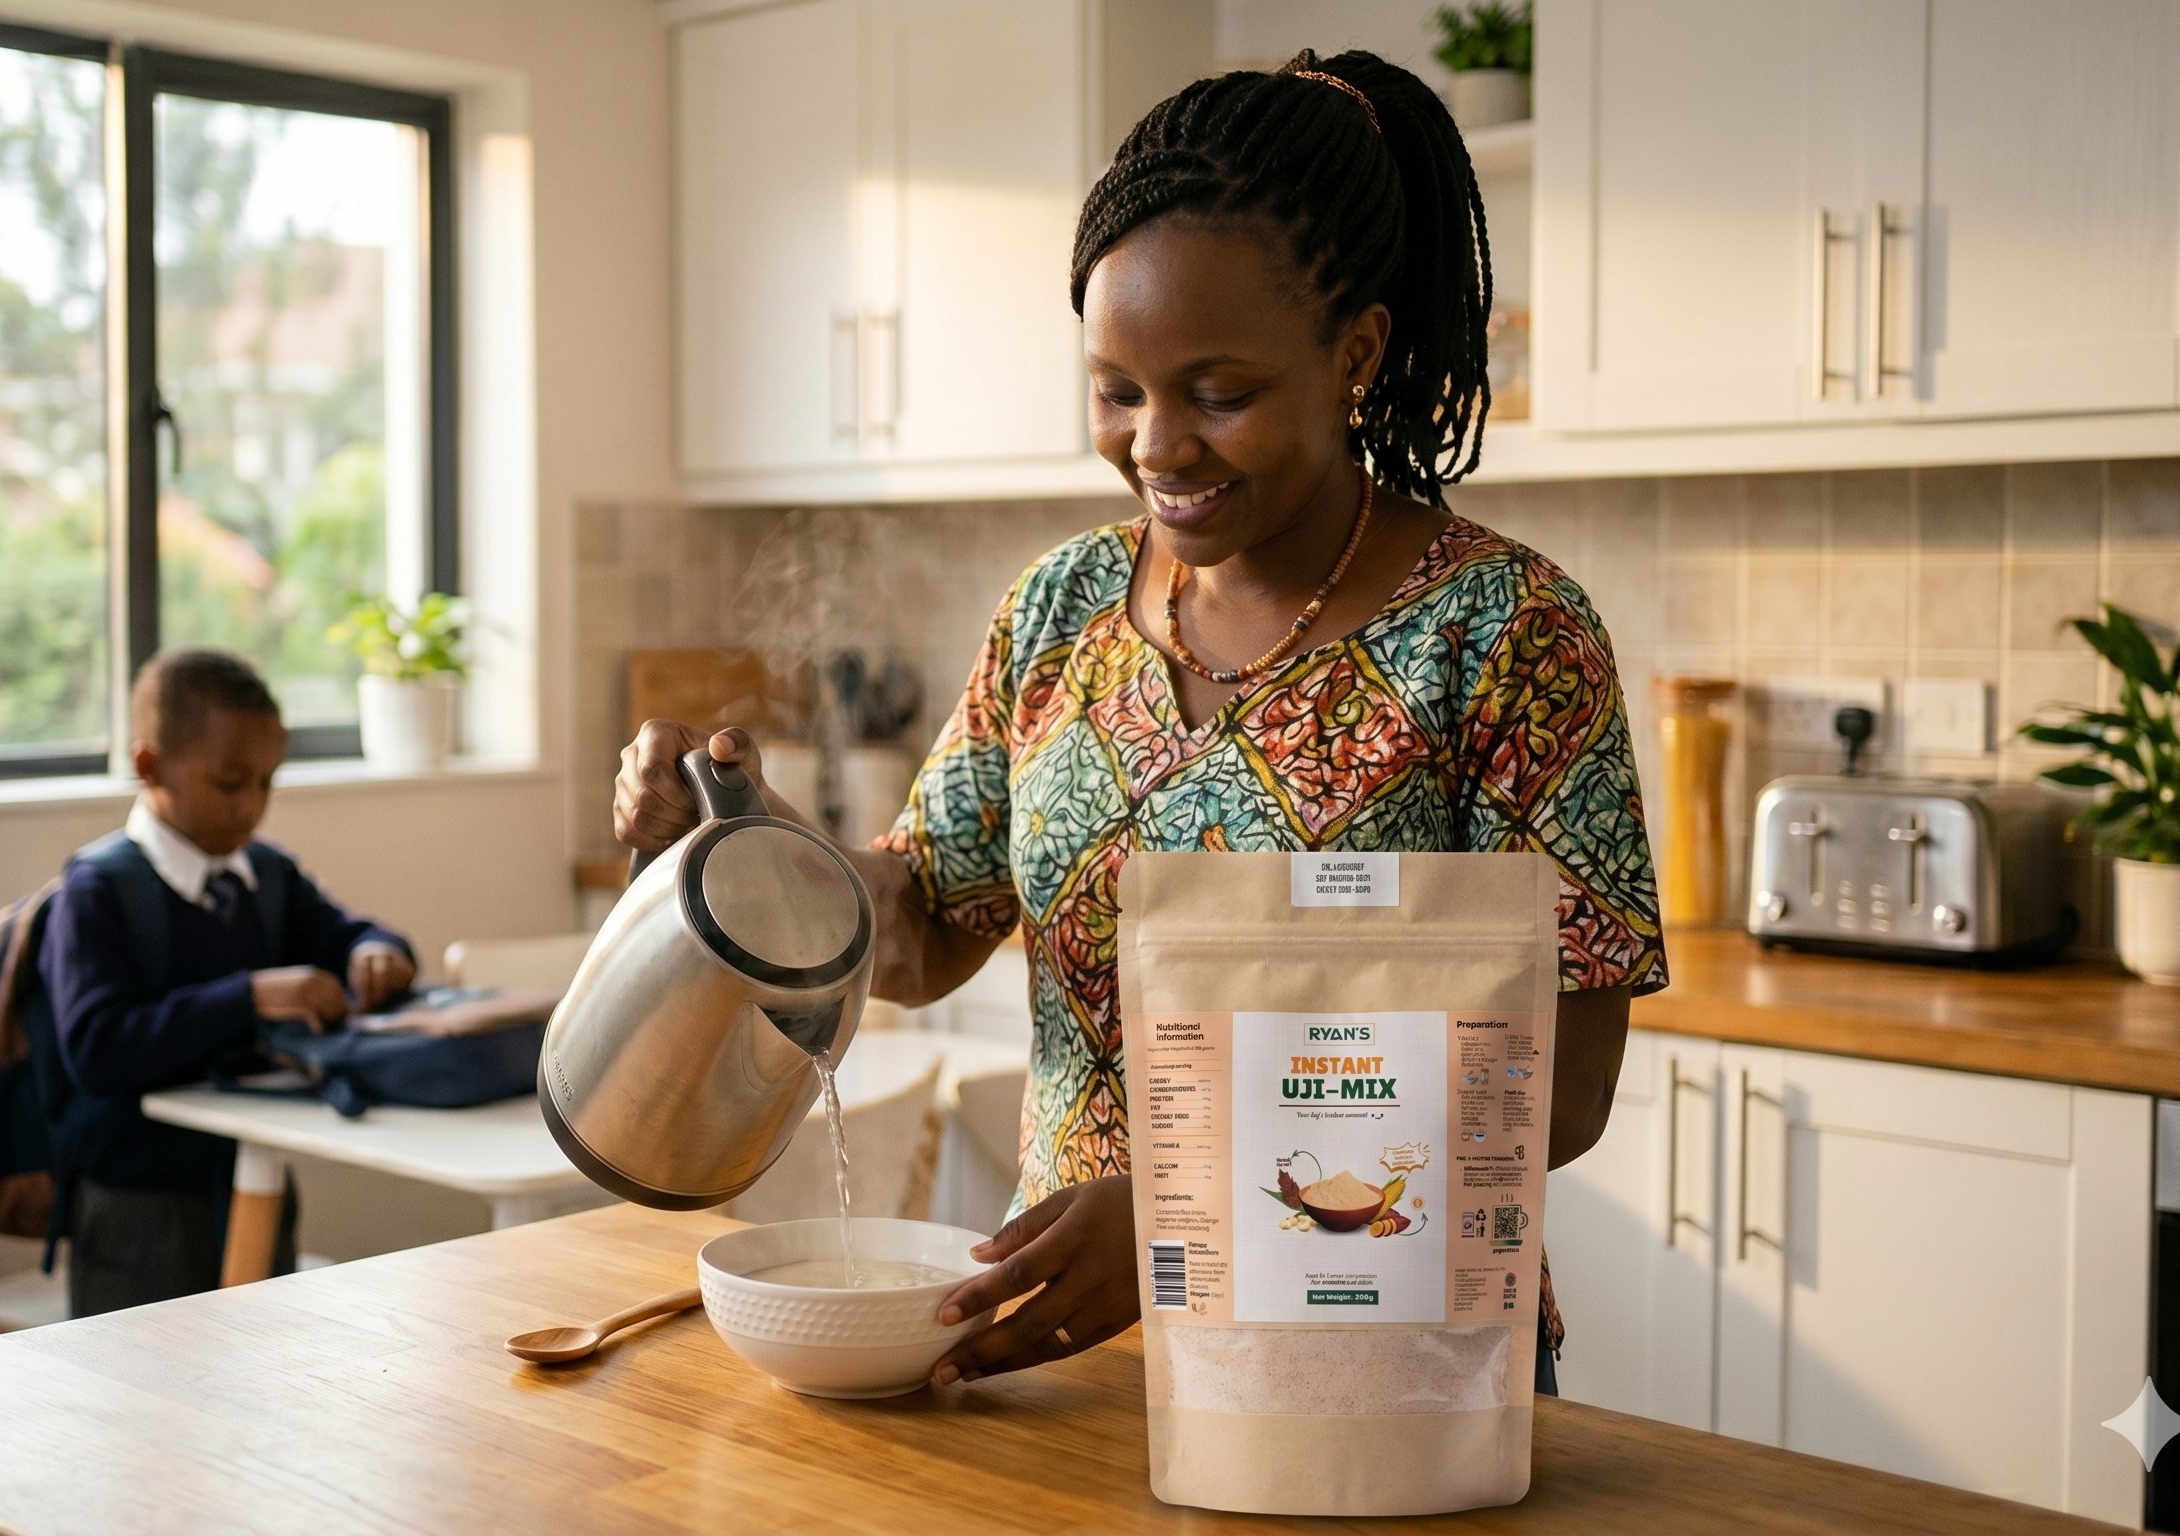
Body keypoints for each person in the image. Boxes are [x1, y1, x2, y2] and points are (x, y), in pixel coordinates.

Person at [614, 50, 1664, 1395]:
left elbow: (1559, 1091)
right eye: (1117, 388)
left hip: (1390, 1373)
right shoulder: (1060, 610)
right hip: (1083, 1356)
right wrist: (751, 857)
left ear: (1356, 352)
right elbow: (926, 927)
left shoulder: (1506, 633)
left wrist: (1190, 1205)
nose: (1156, 442)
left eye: (1218, 393)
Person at [44, 647, 417, 1316]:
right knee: (136, 1407)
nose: (251, 806)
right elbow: (98, 1049)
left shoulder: (268, 876)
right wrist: (248, 996)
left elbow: (349, 933)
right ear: (149, 766)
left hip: (258, 1182)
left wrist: (378, 951)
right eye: (229, 781)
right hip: (138, 1205)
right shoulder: (97, 890)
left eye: (267, 782)